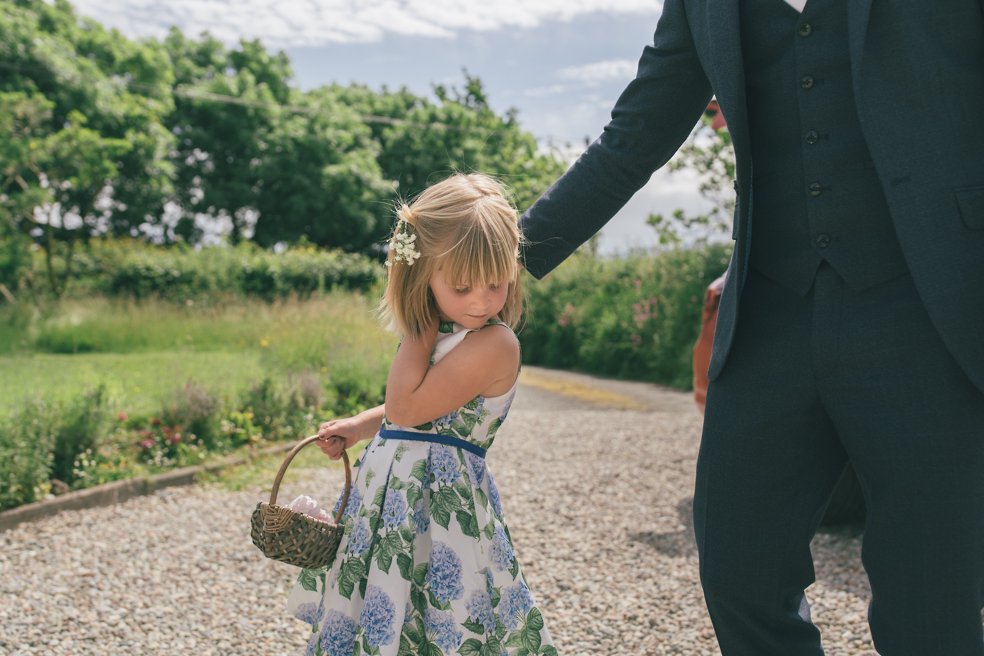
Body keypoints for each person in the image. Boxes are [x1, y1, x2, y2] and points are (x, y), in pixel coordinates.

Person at [518, 1, 984, 654]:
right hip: (771, 312)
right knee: (739, 569)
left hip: (927, 307)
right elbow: (635, 135)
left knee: (931, 596)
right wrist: (506, 260)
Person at [286, 173, 556, 656]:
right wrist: (361, 427)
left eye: (495, 283)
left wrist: (419, 321)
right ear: (422, 275)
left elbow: (409, 408)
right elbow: (412, 409)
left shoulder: (495, 343)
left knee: (441, 612)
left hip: (438, 505)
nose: (480, 299)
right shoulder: (442, 332)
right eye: (461, 285)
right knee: (381, 603)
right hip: (390, 499)